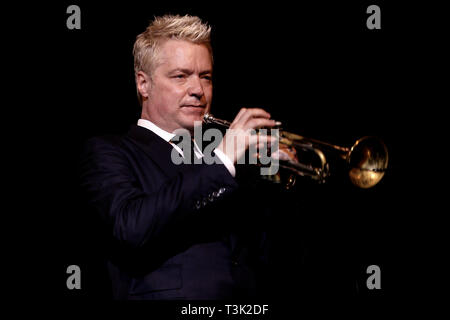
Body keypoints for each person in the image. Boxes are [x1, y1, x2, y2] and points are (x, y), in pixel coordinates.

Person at [80, 14, 283, 300]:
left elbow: (268, 254)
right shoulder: (109, 151)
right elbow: (130, 226)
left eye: (206, 77)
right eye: (180, 76)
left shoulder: (227, 159)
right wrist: (222, 161)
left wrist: (274, 177)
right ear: (143, 84)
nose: (198, 90)